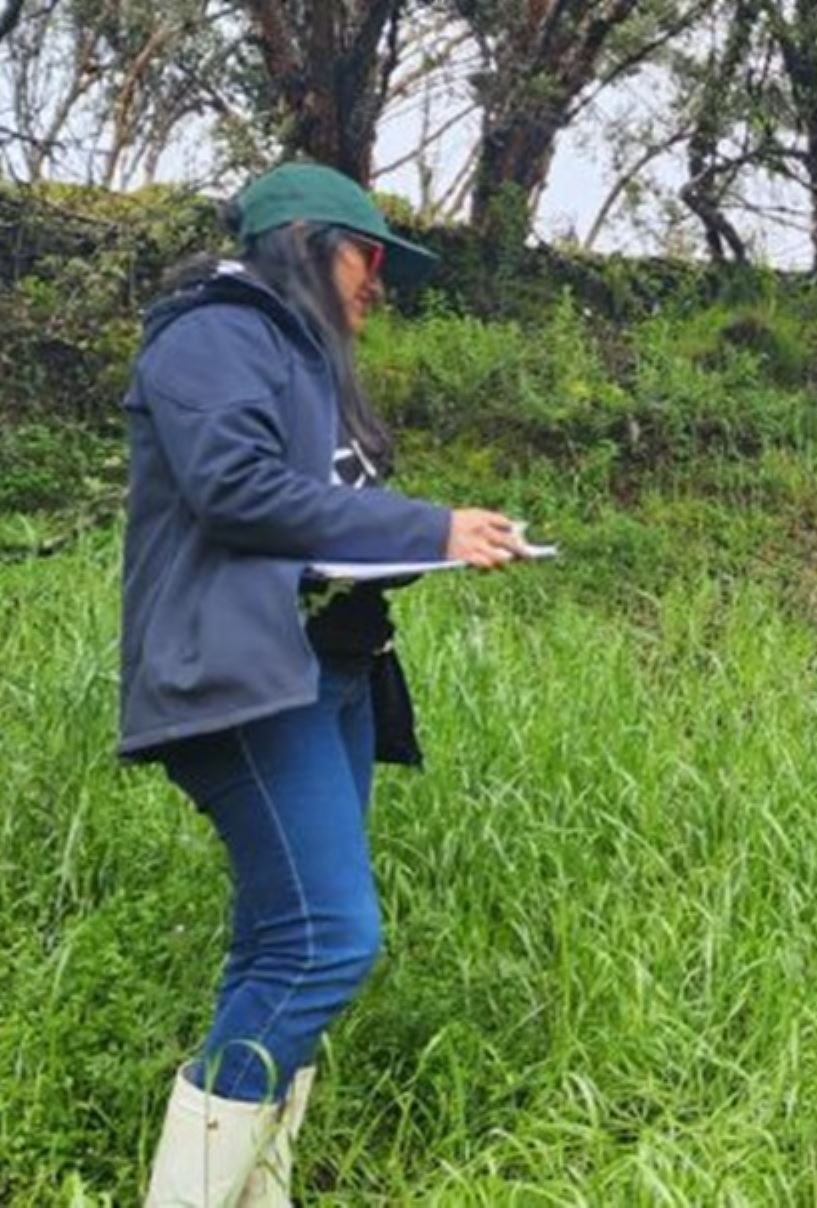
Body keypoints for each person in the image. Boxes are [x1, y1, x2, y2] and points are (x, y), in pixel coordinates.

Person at [120, 162, 525, 1204]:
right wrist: (425, 526)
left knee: (277, 942)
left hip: (331, 670)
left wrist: (410, 551)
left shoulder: (305, 362)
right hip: (247, 680)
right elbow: (236, 489)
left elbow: (309, 518)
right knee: (328, 939)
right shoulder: (214, 332)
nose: (378, 282)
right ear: (303, 245)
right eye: (367, 256)